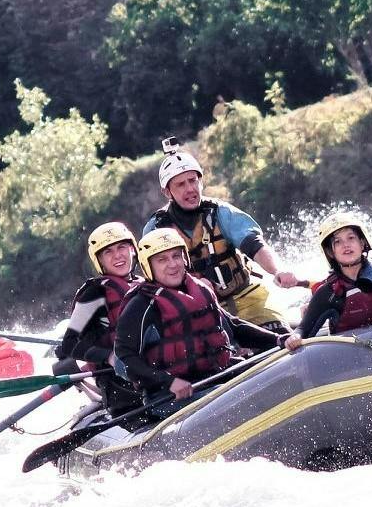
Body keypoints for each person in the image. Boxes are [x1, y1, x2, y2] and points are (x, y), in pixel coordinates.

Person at [113, 228, 301, 413]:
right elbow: (125, 358)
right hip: (171, 396)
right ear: (148, 266)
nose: (172, 264)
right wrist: (168, 382)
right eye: (162, 259)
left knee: (280, 379)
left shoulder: (201, 290)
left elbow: (234, 326)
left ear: (185, 258)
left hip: (217, 377)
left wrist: (278, 339)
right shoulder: (140, 306)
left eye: (176, 256)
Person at [142, 139, 299, 331]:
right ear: (167, 192)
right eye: (181, 184)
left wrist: (278, 270)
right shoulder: (156, 228)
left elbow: (255, 245)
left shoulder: (220, 212)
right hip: (197, 311)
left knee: (283, 338)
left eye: (193, 181)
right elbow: (155, 280)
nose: (190, 189)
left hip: (247, 297)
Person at [54, 221, 144, 412]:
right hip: (124, 392)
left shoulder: (146, 285)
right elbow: (70, 344)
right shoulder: (94, 294)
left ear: (133, 250)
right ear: (99, 260)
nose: (117, 255)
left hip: (160, 379)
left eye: (122, 247)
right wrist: (109, 356)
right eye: (108, 252)